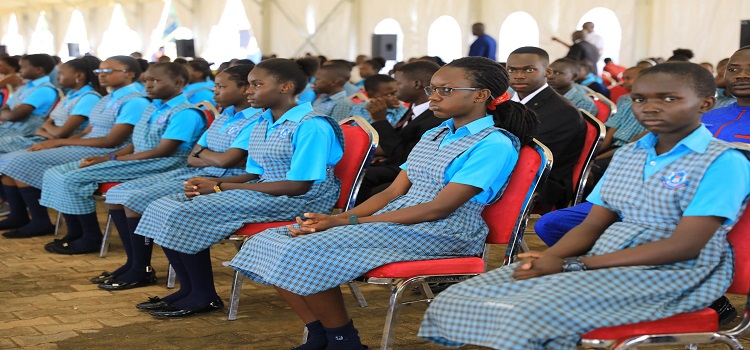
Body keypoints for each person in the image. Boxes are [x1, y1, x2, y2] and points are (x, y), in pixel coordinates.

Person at [419, 61, 750, 349]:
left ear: (706, 104)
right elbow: (593, 224)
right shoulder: (629, 154)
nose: (650, 108)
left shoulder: (722, 161)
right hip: (606, 258)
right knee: (468, 295)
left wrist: (571, 266)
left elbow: (685, 245)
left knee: (523, 310)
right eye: (639, 99)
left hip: (674, 273)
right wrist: (548, 258)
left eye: (669, 99)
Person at [230, 56, 538, 350]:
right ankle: (319, 333)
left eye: (446, 90)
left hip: (446, 229)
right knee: (271, 239)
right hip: (401, 219)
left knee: (306, 248)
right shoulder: (436, 132)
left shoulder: (494, 143)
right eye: (433, 88)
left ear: (481, 95)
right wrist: (338, 218)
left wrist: (344, 222)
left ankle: (343, 340)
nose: (434, 97)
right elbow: (392, 192)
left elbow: (439, 208)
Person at [132, 57, 344, 318]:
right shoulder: (263, 122)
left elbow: (298, 185)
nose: (248, 91)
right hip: (268, 190)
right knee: (163, 205)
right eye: (248, 85)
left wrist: (221, 189)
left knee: (185, 213)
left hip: (304, 199)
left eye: (256, 85)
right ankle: (189, 288)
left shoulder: (311, 125)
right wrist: (216, 183)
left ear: (286, 88)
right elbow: (255, 174)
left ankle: (203, 294)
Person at [95, 65, 262, 290]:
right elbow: (193, 158)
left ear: (244, 89)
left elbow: (226, 161)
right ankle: (135, 263)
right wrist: (209, 155)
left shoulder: (255, 120)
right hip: (198, 172)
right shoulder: (225, 116)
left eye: (221, 87)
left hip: (230, 178)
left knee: (144, 203)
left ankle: (144, 269)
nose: (215, 92)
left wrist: (205, 154)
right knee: (117, 193)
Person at [41, 62, 206, 255]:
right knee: (56, 172)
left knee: (72, 178)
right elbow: (136, 142)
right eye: (146, 81)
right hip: (138, 158)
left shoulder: (185, 112)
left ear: (178, 82)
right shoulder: (153, 107)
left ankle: (90, 236)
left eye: (155, 80)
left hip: (165, 163)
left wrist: (117, 159)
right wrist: (109, 157)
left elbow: (163, 151)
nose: (149, 85)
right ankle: (75, 233)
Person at [0, 56, 150, 239]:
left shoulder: (135, 101)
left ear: (130, 74)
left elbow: (111, 141)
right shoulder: (108, 98)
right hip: (89, 144)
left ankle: (85, 233)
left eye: (108, 71)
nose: (102, 75)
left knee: (24, 162)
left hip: (105, 150)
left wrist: (60, 141)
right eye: (99, 71)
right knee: (28, 163)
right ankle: (72, 231)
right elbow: (88, 130)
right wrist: (58, 142)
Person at [507, 46, 585, 211]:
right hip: (513, 169)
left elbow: (531, 157)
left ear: (547, 72)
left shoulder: (563, 112)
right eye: (512, 70)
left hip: (542, 183)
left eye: (529, 70)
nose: (518, 76)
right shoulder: (508, 102)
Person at [354, 60, 442, 204]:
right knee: (360, 165)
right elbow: (400, 141)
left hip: (413, 169)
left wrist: (379, 121)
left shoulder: (434, 116)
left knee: (364, 175)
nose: (395, 90)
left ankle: (354, 217)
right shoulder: (415, 108)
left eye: (398, 84)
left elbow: (405, 155)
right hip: (398, 162)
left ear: (416, 84)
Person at [0, 58, 103, 154]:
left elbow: (61, 132)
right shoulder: (70, 95)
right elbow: (43, 126)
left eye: (61, 74)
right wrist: (50, 133)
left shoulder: (88, 98)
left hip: (64, 144)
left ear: (78, 76)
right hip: (46, 139)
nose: (57, 78)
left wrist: (50, 133)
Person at [0, 54, 59, 139]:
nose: (20, 70)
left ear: (38, 69)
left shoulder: (44, 90)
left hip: (25, 135)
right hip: (10, 129)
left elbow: (14, 116)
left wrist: (5, 113)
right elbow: (7, 106)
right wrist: (7, 113)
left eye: (23, 67)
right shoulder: (25, 86)